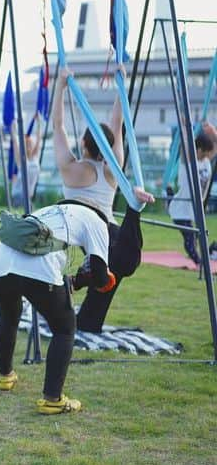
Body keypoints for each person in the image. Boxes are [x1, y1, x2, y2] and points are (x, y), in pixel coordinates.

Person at [0, 188, 151, 414]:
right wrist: (95, 280)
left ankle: (5, 377)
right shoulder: (96, 221)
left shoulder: (48, 211)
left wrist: (73, 281)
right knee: (64, 328)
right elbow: (102, 276)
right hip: (38, 267)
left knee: (9, 315)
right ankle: (53, 399)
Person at [51, 67, 145, 333]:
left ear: (83, 143)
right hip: (102, 230)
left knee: (116, 265)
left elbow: (58, 125)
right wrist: (120, 86)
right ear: (108, 146)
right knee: (123, 259)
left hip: (92, 232)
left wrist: (60, 86)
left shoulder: (70, 167)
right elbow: (117, 124)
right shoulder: (112, 168)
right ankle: (88, 274)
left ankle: (88, 278)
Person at [168, 123, 217, 265]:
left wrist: (212, 132)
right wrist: (184, 126)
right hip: (180, 209)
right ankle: (199, 262)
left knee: (196, 236)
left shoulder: (206, 161)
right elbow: (184, 145)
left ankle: (202, 259)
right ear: (200, 150)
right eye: (207, 152)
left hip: (194, 209)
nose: (210, 155)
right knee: (190, 238)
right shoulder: (188, 163)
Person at [9, 117, 42, 206]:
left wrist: (38, 123)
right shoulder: (21, 160)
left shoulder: (35, 157)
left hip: (29, 197)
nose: (29, 146)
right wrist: (13, 128)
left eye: (30, 144)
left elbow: (39, 139)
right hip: (18, 195)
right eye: (27, 144)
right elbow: (15, 142)